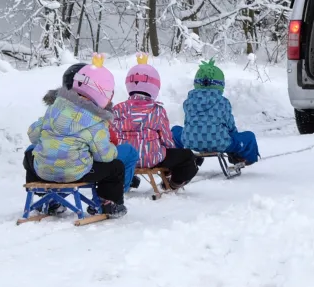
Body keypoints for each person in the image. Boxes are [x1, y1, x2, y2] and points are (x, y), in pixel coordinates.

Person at [25, 54, 128, 218]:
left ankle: (45, 197)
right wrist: (113, 151)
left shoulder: (54, 108)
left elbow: (33, 135)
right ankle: (108, 203)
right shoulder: (95, 120)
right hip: (74, 172)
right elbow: (104, 156)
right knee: (115, 167)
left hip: (43, 171)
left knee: (29, 153)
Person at [111, 54, 199, 189]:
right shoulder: (157, 110)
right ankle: (175, 182)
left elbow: (114, 136)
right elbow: (166, 139)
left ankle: (128, 178)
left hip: (126, 158)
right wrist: (170, 153)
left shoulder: (118, 109)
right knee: (187, 156)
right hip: (152, 158)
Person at [173, 59, 260, 165]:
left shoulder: (188, 102)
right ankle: (242, 158)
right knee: (249, 136)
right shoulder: (223, 102)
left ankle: (183, 157)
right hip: (220, 142)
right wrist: (233, 140)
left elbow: (188, 123)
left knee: (174, 131)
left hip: (191, 142)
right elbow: (230, 126)